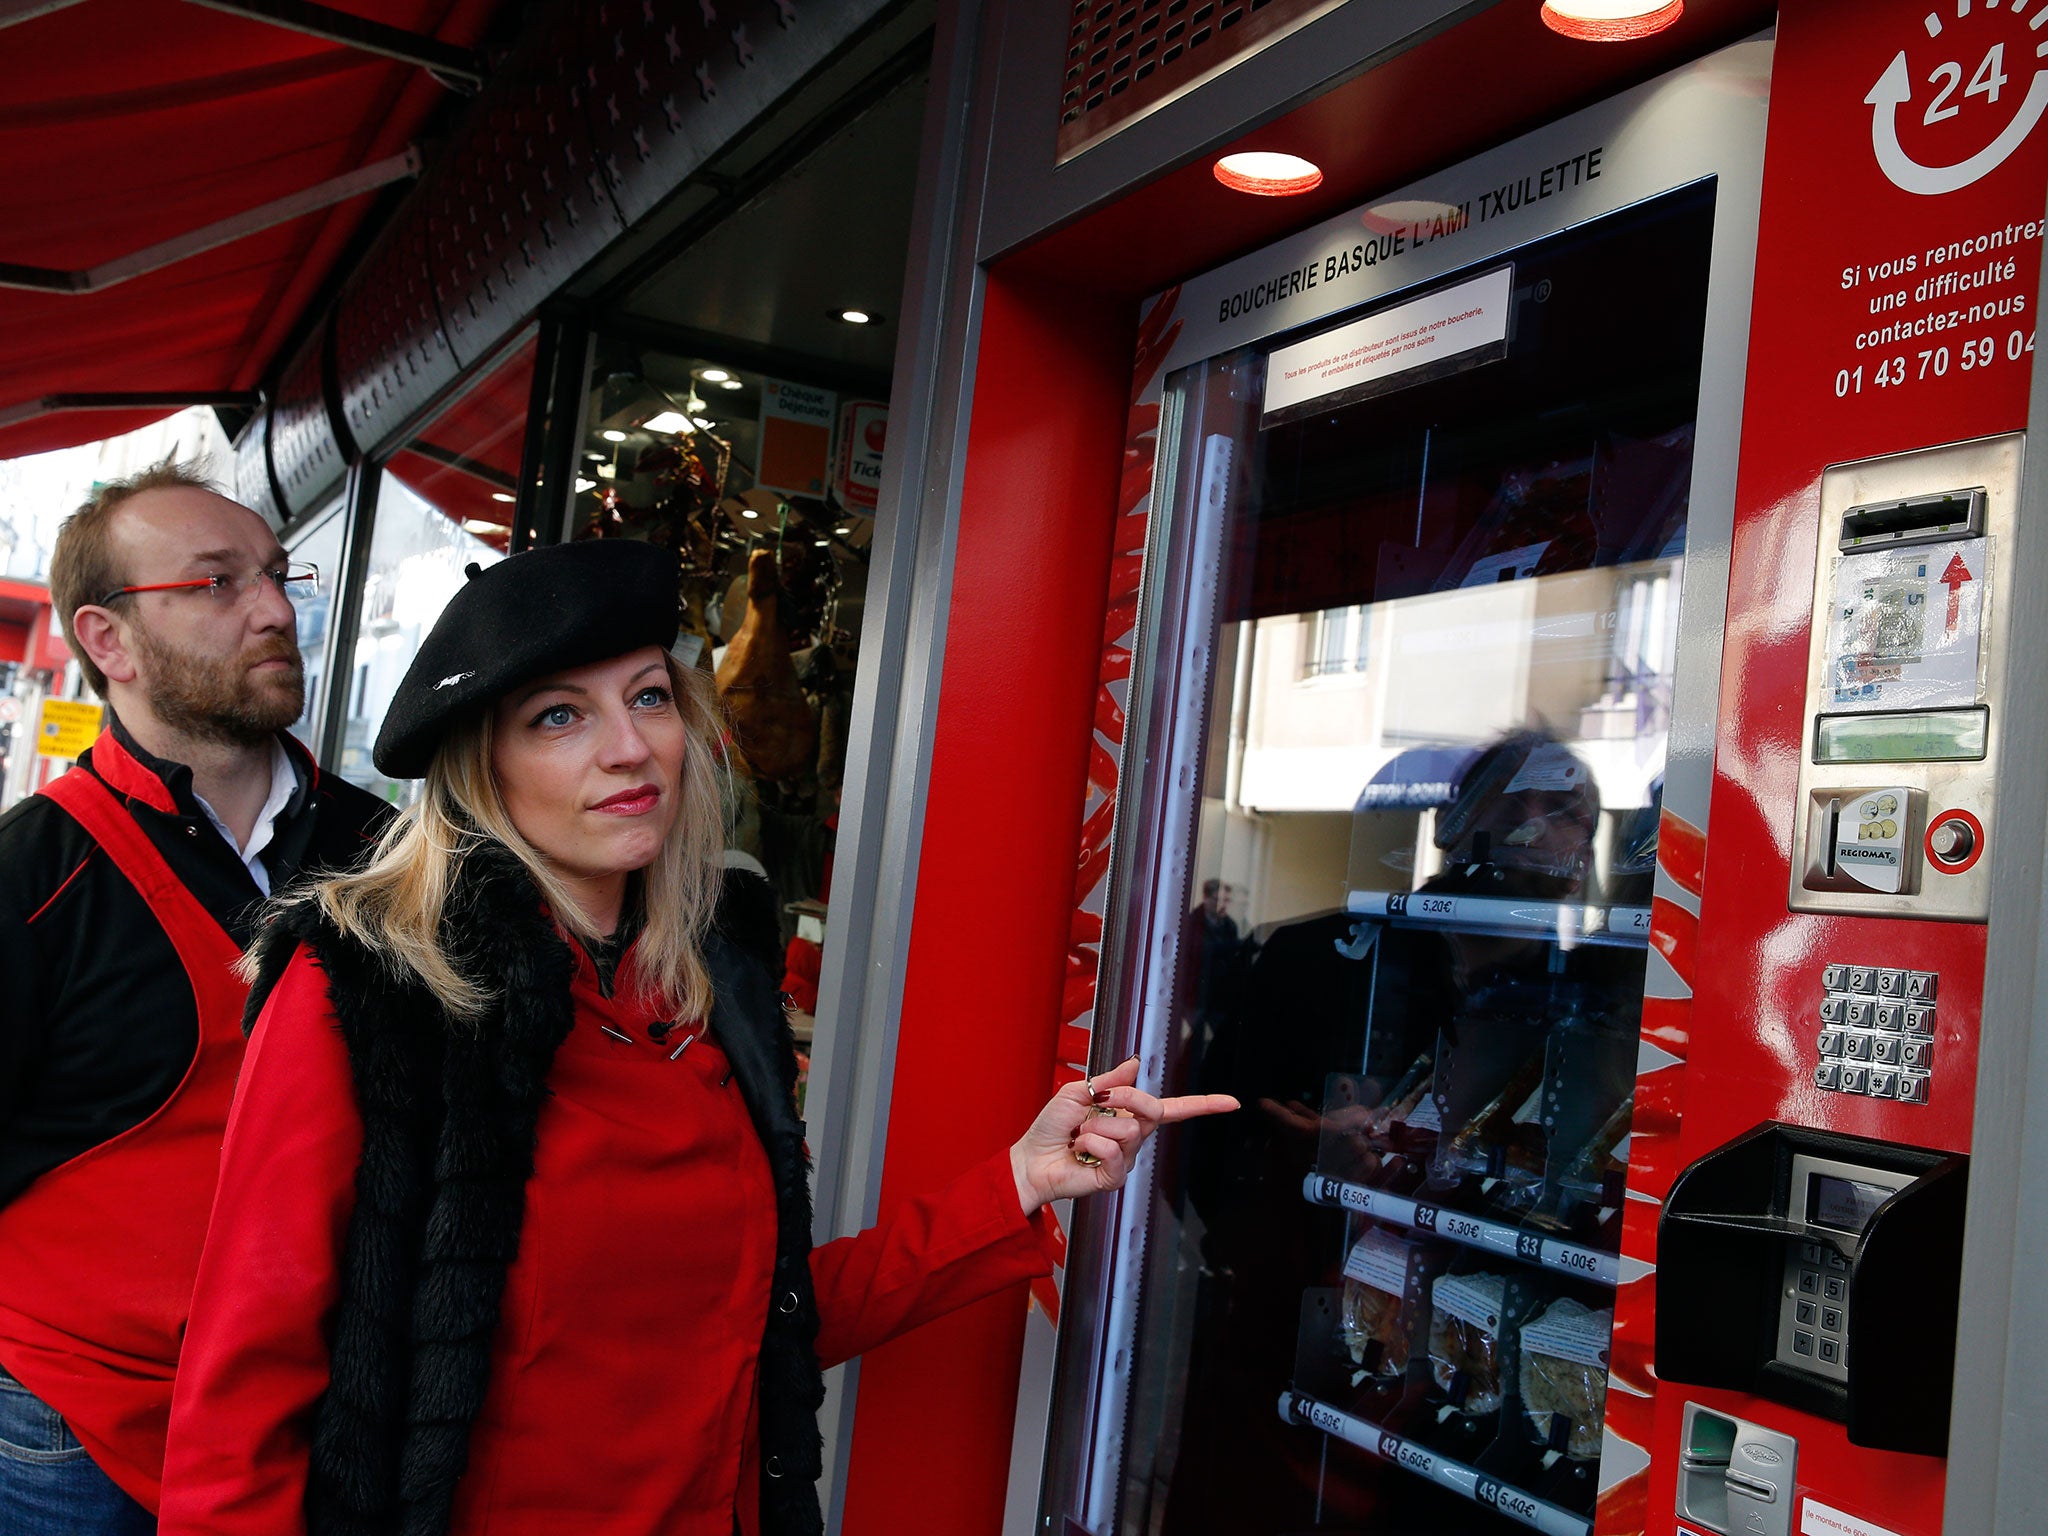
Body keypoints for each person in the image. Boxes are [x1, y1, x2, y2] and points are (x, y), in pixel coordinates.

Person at [159, 539, 1237, 1536]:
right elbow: (242, 1398)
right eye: (558, 717)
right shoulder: (375, 984)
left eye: (646, 698)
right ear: (482, 762)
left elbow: (753, 1321)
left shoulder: (708, 986)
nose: (631, 750)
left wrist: (1016, 1180)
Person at [0, 461, 389, 1534]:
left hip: (316, 1421)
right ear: (108, 640)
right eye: (216, 583)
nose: (274, 608)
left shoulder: (390, 856)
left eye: (273, 574)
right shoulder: (34, 873)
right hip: (70, 1432)